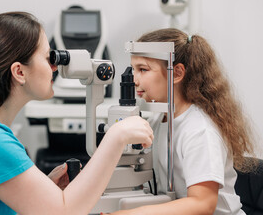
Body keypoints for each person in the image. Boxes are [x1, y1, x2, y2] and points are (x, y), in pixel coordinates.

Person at [0, 12, 154, 215]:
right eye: (48, 57)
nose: (55, 66)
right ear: (19, 72)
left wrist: (42, 188)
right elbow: (63, 213)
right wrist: (115, 136)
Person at [103, 28, 257, 215]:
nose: (134, 80)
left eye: (143, 69)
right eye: (133, 69)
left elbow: (202, 204)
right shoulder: (160, 119)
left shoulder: (199, 130)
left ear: (176, 73)